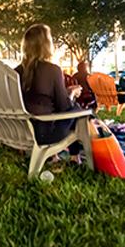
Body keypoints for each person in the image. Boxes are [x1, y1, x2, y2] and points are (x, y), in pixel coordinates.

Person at [14, 24, 87, 164]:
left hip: (20, 131)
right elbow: (63, 107)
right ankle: (74, 157)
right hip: (44, 135)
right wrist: (70, 96)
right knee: (76, 109)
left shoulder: (16, 72)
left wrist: (67, 92)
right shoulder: (52, 70)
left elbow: (37, 98)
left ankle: (55, 157)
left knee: (73, 108)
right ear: (45, 45)